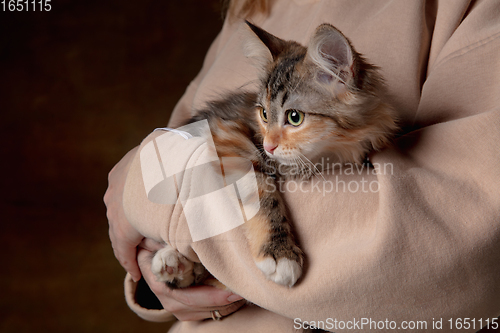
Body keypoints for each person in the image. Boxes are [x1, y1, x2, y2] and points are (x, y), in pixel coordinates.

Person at [104, 0, 500, 331]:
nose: (270, 143)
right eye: (265, 116)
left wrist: (145, 188)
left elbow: (460, 241)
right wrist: (155, 271)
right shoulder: (251, 6)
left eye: (293, 119)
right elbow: (166, 182)